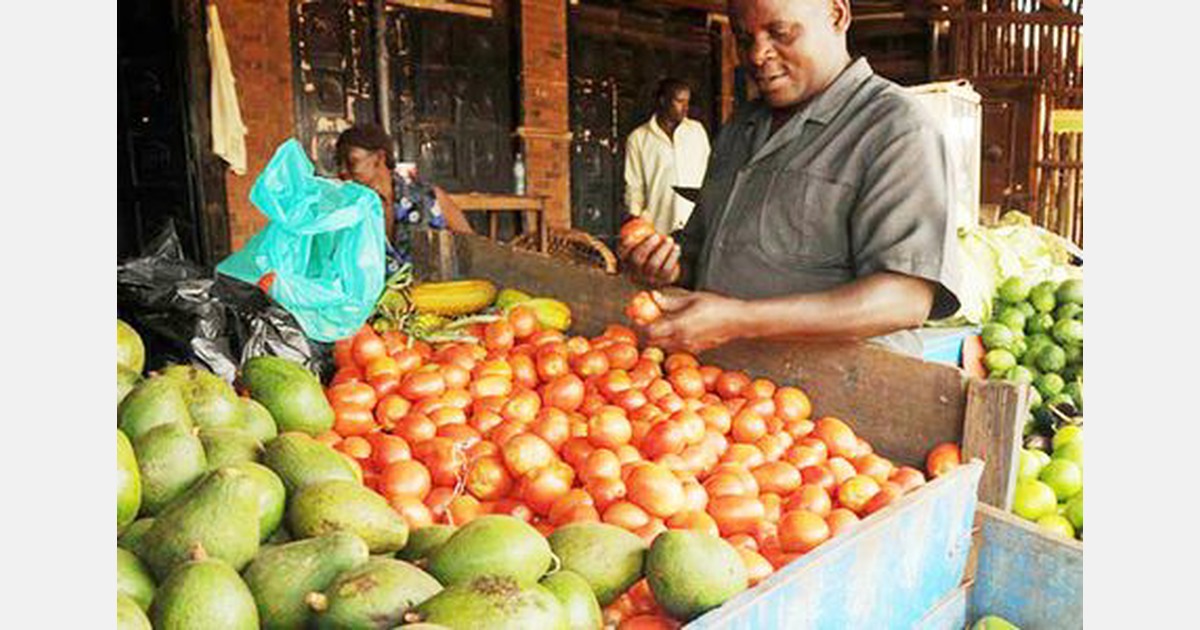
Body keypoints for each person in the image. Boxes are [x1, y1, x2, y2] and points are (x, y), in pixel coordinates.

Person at [619, 0, 962, 358]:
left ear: (837, 14)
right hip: (731, 395)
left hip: (840, 397)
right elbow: (703, 252)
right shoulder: (740, 129)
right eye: (743, 37)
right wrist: (670, 266)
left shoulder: (896, 129)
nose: (757, 54)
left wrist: (741, 320)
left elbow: (905, 299)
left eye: (780, 33)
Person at [334, 124, 474, 274]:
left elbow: (471, 249)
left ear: (379, 158)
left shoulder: (429, 199)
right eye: (339, 163)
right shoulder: (345, 212)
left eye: (351, 162)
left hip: (430, 294)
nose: (342, 171)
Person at [624, 78, 712, 236]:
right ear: (663, 101)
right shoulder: (638, 138)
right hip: (658, 226)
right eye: (679, 101)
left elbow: (710, 172)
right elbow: (634, 185)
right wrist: (636, 222)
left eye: (687, 102)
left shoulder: (697, 131)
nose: (685, 108)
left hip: (696, 223)